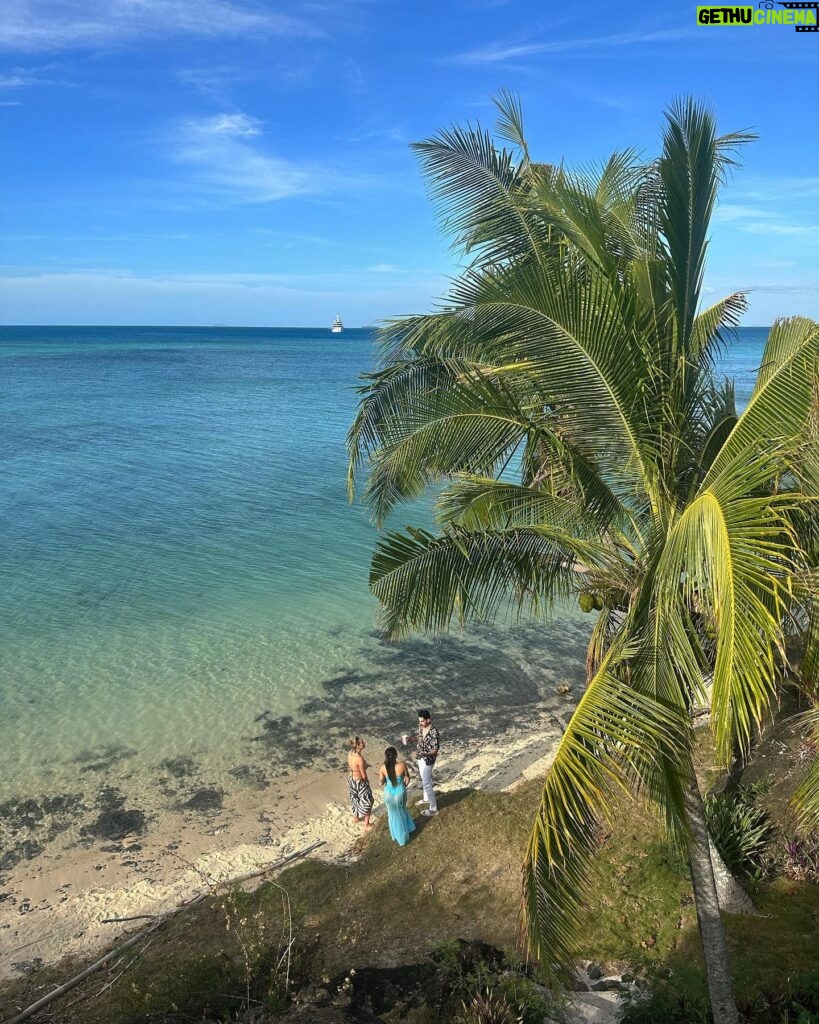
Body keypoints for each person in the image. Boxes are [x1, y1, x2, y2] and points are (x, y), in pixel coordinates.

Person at [378, 746, 416, 846]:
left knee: (392, 814)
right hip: (399, 792)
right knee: (401, 811)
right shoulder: (402, 765)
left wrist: (384, 779)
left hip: (388, 794)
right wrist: (404, 787)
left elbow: (380, 783)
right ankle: (404, 835)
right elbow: (407, 779)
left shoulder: (382, 767)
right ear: (396, 755)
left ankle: (395, 834)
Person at [410, 708, 439, 816]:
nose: (420, 723)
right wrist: (411, 739)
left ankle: (433, 808)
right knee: (424, 779)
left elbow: (435, 749)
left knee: (427, 784)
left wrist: (425, 754)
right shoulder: (422, 727)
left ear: (428, 720)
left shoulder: (434, 731)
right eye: (419, 721)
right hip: (420, 758)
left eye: (422, 721)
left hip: (428, 760)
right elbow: (420, 738)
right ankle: (426, 798)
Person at [346, 736, 374, 829]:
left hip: (351, 779)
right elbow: (364, 775)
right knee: (369, 800)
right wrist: (367, 783)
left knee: (355, 798)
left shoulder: (351, 753)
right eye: (362, 742)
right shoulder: (359, 759)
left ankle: (356, 818)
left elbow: (355, 765)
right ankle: (366, 824)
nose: (364, 742)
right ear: (358, 745)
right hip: (359, 782)